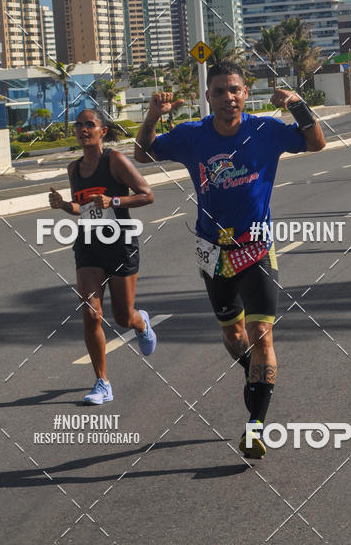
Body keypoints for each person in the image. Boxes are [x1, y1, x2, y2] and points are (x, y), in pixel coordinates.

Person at [134, 60, 326, 459]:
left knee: (261, 337)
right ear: (209, 97)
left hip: (256, 246)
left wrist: (298, 104)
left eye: (234, 90)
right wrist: (152, 115)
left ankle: (255, 427)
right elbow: (142, 155)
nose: (228, 97)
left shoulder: (265, 131)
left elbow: (316, 143)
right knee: (234, 337)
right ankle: (258, 380)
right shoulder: (192, 136)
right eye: (219, 91)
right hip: (212, 253)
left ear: (245, 93)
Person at [49, 108, 157, 405]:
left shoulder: (115, 160)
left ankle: (141, 323)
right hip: (89, 244)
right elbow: (81, 208)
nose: (83, 129)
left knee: (123, 317)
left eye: (90, 125)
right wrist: (63, 205)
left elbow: (147, 194)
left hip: (120, 242)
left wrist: (115, 200)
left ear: (102, 131)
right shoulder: (74, 169)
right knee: (90, 312)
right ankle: (102, 382)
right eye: (79, 125)